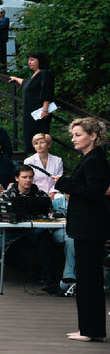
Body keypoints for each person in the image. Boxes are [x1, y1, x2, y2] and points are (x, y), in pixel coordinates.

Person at [51, 118, 109, 342]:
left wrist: (64, 183)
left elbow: (94, 191)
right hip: (86, 227)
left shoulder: (95, 160)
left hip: (90, 227)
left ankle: (91, 330)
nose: (73, 139)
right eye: (73, 135)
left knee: (89, 280)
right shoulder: (90, 159)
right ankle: (90, 329)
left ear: (93, 136)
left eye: (78, 134)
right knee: (86, 279)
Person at [9, 52, 55, 154]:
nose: (30, 62)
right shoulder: (35, 75)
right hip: (30, 113)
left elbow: (47, 91)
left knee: (39, 137)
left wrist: (45, 109)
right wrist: (16, 79)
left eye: (33, 60)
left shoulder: (44, 74)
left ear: (40, 61)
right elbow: (27, 84)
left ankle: (40, 160)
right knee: (30, 137)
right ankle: (32, 158)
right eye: (29, 60)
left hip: (40, 113)